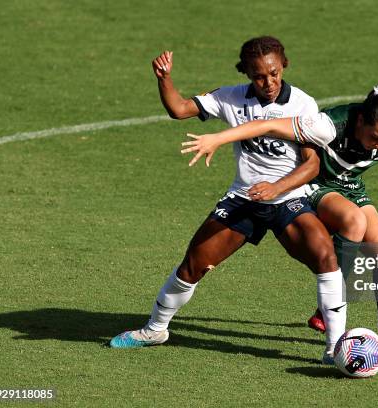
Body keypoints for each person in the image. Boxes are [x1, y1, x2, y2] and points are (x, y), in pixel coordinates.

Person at [181, 85, 378, 356]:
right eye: (375, 137)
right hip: (311, 184)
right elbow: (266, 126)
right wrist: (218, 139)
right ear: (360, 120)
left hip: (350, 187)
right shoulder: (326, 125)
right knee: (354, 221)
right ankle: (327, 311)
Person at [110, 36, 346, 364]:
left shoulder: (303, 105)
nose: (269, 82)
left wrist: (277, 188)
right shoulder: (231, 98)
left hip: (287, 199)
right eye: (259, 76)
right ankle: (156, 330)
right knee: (194, 264)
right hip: (243, 199)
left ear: (284, 66)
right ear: (247, 73)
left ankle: (335, 348)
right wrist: (164, 79)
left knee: (325, 255)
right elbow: (179, 109)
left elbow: (311, 164)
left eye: (274, 73)